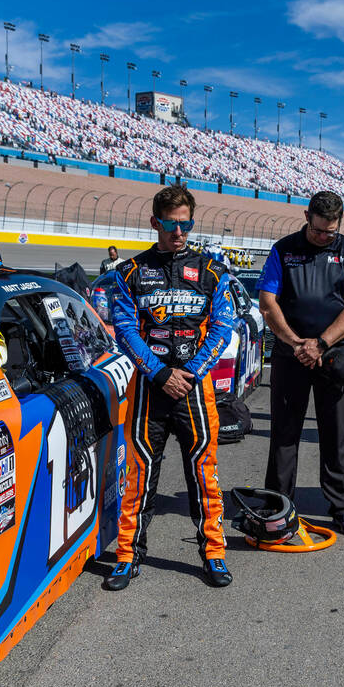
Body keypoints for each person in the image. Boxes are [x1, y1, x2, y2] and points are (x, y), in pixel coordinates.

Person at [106, 185, 235, 590]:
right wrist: (161, 373)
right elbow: (124, 328)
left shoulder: (212, 271)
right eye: (171, 224)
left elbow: (223, 326)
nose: (179, 232)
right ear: (154, 222)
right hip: (150, 385)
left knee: (203, 472)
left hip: (195, 388)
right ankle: (127, 556)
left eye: (186, 224)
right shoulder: (129, 272)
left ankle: (213, 554)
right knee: (139, 472)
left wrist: (191, 371)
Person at [257, 191, 344, 536]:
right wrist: (296, 343)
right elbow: (268, 301)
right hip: (290, 353)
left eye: (332, 231)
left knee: (335, 435)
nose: (325, 237)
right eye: (319, 230)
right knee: (284, 433)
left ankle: (342, 507)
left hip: (334, 355)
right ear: (306, 216)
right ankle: (276, 505)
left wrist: (321, 343)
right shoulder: (284, 248)